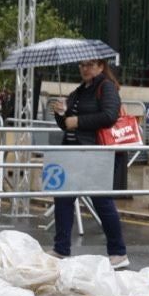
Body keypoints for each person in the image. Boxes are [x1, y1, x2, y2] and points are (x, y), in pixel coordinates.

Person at [49, 58, 129, 268]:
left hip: (96, 153)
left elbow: (110, 115)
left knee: (102, 202)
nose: (85, 69)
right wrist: (61, 114)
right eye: (82, 65)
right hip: (73, 151)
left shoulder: (106, 87)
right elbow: (67, 125)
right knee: (63, 199)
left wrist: (79, 121)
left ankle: (118, 253)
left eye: (91, 65)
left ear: (101, 67)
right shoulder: (79, 91)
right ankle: (61, 250)